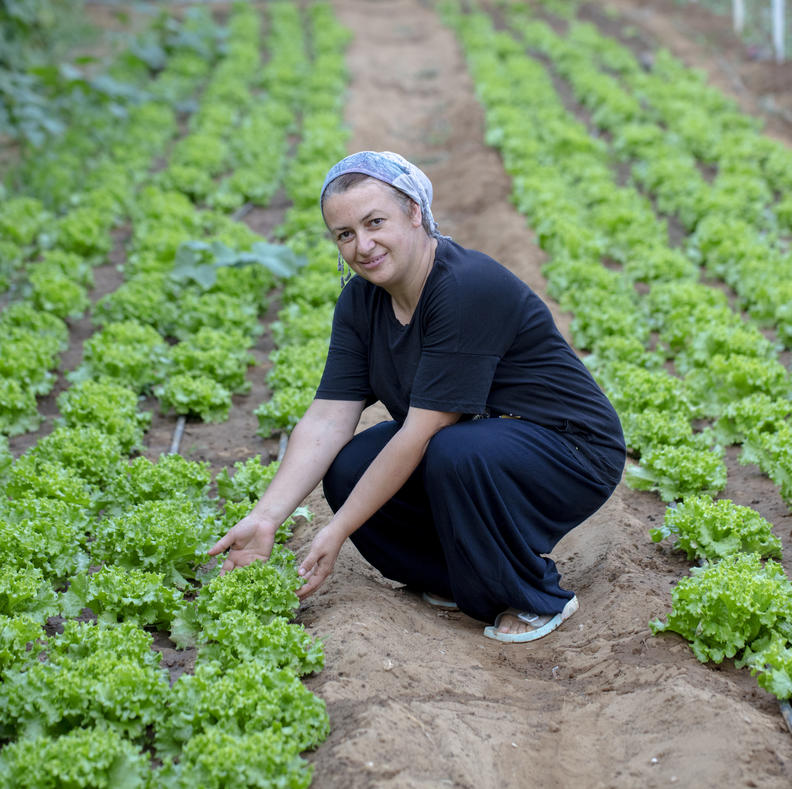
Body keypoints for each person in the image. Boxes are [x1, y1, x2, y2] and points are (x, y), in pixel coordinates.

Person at [209, 151, 625, 643]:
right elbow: (326, 419)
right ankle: (458, 578)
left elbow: (423, 432)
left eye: (374, 222)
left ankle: (531, 594)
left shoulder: (465, 288)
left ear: (414, 212)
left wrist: (337, 530)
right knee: (351, 465)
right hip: (484, 441)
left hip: (570, 449)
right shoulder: (361, 302)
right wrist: (265, 518)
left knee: (451, 450)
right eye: (344, 234)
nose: (363, 246)